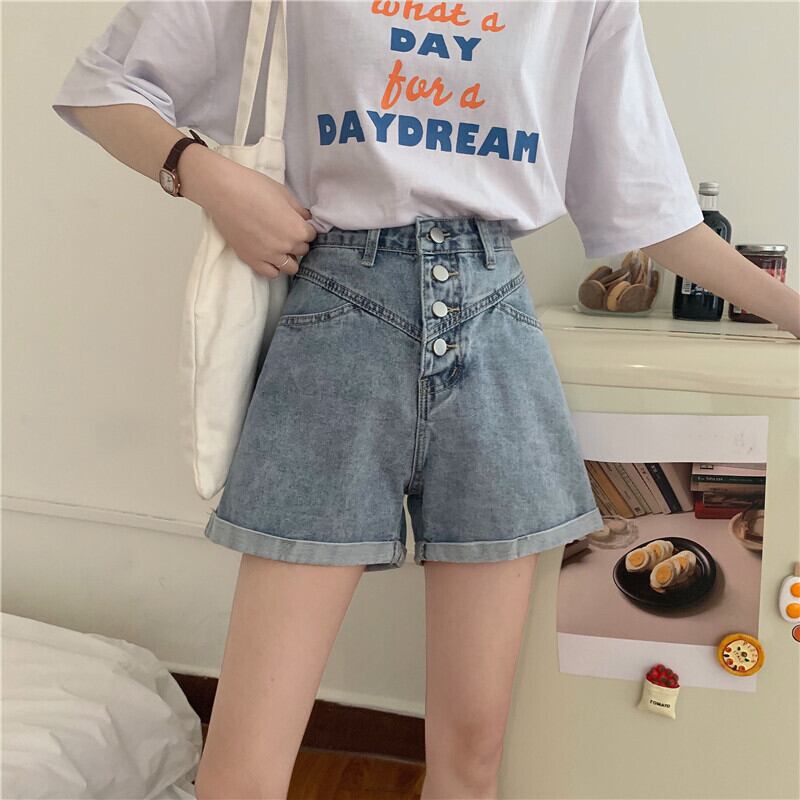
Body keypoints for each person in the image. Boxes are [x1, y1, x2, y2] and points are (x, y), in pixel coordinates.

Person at [52, 1, 800, 797]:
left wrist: (790, 311)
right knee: (245, 765)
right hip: (337, 324)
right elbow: (103, 87)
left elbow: (652, 206)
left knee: (473, 754)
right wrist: (207, 178)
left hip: (496, 335)